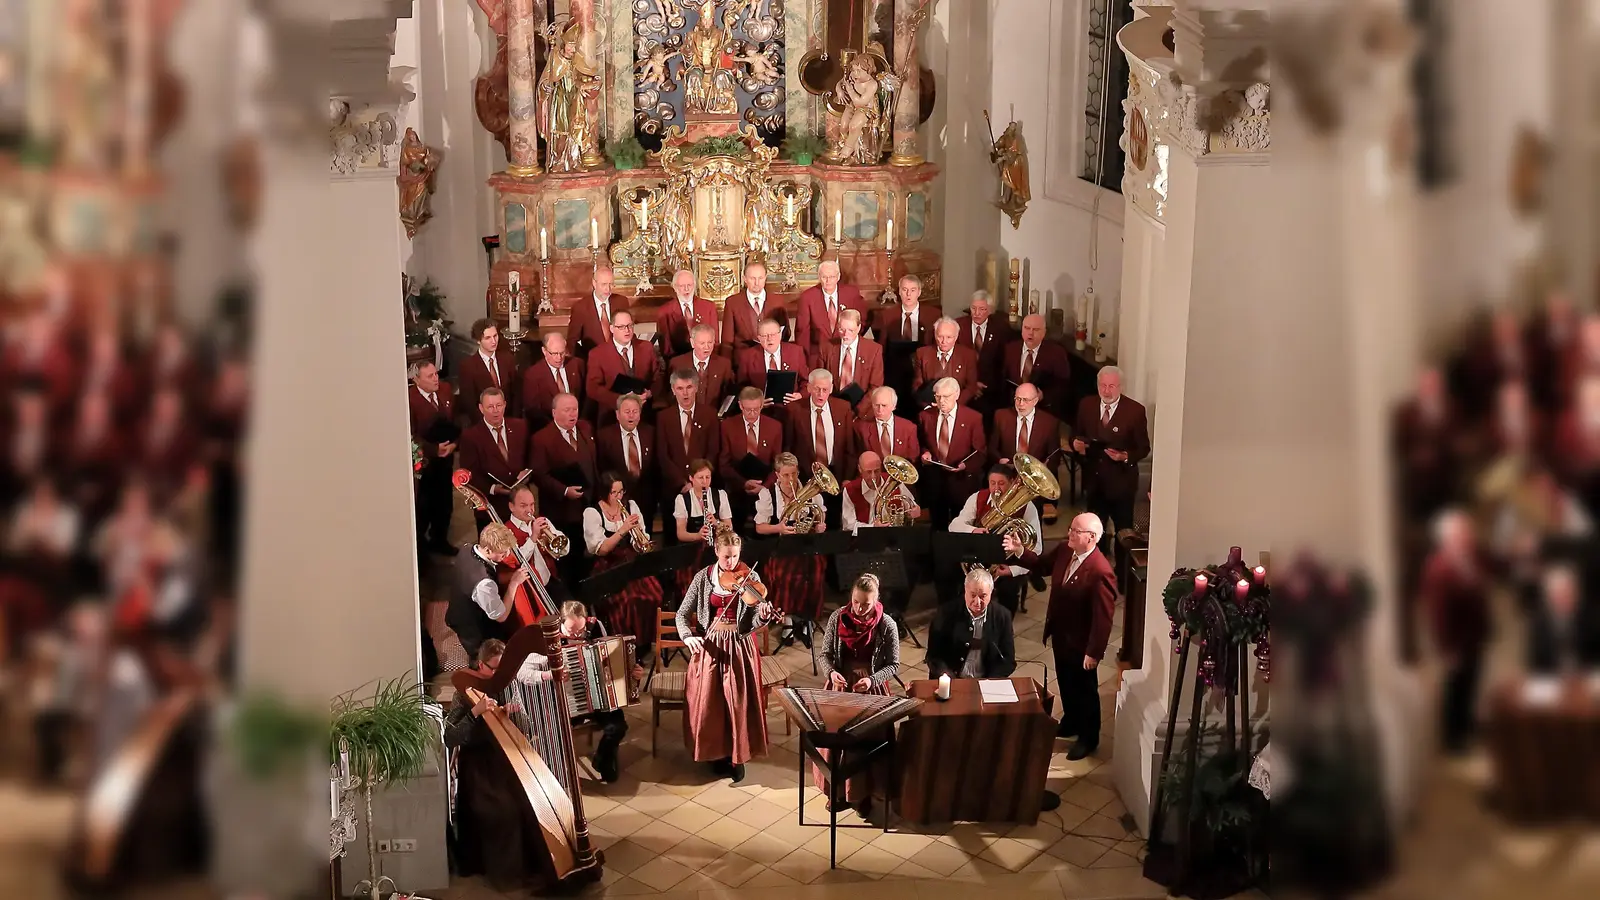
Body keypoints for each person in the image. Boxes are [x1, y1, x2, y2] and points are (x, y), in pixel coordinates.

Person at [444, 640, 558, 892]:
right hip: (478, 767)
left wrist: (513, 713)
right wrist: (475, 712)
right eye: (493, 669)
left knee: (532, 803)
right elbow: (450, 737)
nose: (498, 675)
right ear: (480, 664)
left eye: (503, 670)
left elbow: (525, 727)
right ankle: (507, 875)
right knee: (504, 810)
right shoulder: (463, 691)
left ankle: (534, 868)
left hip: (506, 759)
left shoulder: (508, 685)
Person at [1006, 512, 1115, 760]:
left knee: (1085, 689)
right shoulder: (1066, 551)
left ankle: (1088, 737)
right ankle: (1071, 721)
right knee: (1066, 681)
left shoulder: (1101, 571)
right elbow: (1043, 565)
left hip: (1081, 643)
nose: (1070, 534)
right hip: (1061, 635)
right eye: (1071, 528)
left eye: (1076, 531)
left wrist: (1093, 652)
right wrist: (1020, 551)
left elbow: (1103, 618)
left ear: (1092, 537)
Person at [676, 529, 780, 783]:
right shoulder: (703, 578)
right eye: (726, 558)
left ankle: (738, 756)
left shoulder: (750, 577)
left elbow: (754, 621)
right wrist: (688, 636)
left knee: (737, 701)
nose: (731, 563)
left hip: (739, 645)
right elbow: (681, 614)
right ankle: (716, 754)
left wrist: (764, 615)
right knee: (712, 702)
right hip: (711, 644)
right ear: (716, 552)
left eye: (735, 557)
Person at [527, 602, 646, 783]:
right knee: (553, 731)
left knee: (618, 728)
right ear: (560, 623)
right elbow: (526, 671)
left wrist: (634, 672)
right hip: (566, 700)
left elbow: (614, 657)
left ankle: (602, 760)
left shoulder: (595, 627)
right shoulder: (548, 637)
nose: (577, 636)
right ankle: (555, 772)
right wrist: (551, 675)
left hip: (599, 698)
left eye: (581, 631)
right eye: (571, 632)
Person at [813, 573, 901, 816]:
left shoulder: (887, 625)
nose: (860, 609)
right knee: (837, 744)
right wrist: (831, 673)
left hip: (870, 689)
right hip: (841, 686)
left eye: (866, 604)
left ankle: (863, 794)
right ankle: (838, 792)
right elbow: (825, 654)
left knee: (865, 745)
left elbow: (893, 665)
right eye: (856, 602)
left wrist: (872, 679)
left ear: (877, 601)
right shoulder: (837, 617)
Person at [1418, 509, 1492, 754]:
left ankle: (1467, 726)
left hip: (1475, 636)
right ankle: (1453, 739)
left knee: (1471, 683)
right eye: (1463, 532)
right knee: (1455, 689)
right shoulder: (1438, 568)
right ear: (1448, 537)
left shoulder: (1470, 557)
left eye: (1468, 531)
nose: (1469, 535)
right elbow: (1438, 614)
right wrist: (1447, 649)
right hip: (1456, 642)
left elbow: (1486, 577)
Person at [1072, 366, 1150, 558]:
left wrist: (1124, 457)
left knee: (1124, 534)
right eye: (1103, 386)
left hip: (1121, 484)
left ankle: (1123, 577)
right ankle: (1098, 568)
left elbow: (1143, 448)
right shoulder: (1086, 405)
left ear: (1121, 387)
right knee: (1094, 533)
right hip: (1094, 481)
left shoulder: (1135, 411)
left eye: (1111, 386)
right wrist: (1076, 444)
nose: (1106, 391)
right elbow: (1076, 433)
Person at [754, 452, 828, 648]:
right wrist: (778, 528)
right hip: (782, 547)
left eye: (794, 474)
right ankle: (786, 621)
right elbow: (759, 527)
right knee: (783, 577)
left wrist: (820, 526)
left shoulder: (811, 491)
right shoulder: (768, 494)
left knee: (816, 574)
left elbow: (820, 518)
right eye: (786, 475)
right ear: (777, 475)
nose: (791, 479)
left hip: (807, 544)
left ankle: (807, 620)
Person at [582, 472, 663, 650]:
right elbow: (602, 549)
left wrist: (638, 537)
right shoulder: (593, 512)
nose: (619, 497)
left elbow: (640, 541)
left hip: (631, 562)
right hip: (608, 566)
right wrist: (623, 529)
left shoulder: (631, 506)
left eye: (621, 492)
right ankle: (628, 647)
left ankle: (644, 644)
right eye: (614, 493)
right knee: (627, 602)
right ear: (604, 492)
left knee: (654, 594)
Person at [951, 464, 1042, 614]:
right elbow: (955, 525)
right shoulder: (977, 497)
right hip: (978, 556)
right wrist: (974, 530)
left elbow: (1036, 548)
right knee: (950, 575)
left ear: (1012, 483)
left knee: (1009, 591)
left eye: (1001, 483)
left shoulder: (1028, 506)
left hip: (1008, 562)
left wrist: (1012, 570)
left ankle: (1003, 624)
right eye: (992, 483)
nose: (996, 489)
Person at [447, 524, 529, 662]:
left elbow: (491, 574)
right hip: (472, 629)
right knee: (495, 658)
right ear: (487, 549)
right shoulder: (484, 584)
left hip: (458, 607)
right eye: (502, 553)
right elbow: (501, 616)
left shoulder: (468, 548)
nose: (507, 555)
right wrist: (514, 583)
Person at [786, 369, 855, 528]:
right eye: (816, 389)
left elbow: (849, 446)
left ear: (831, 388)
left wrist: (847, 477)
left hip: (835, 479)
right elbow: (789, 446)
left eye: (825, 389)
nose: (820, 394)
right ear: (809, 388)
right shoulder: (794, 410)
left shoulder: (843, 407)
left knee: (833, 525)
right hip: (806, 480)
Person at [918, 377, 987, 529]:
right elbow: (922, 443)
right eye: (938, 396)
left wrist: (965, 465)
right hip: (935, 483)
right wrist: (926, 453)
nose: (941, 401)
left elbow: (980, 452)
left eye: (946, 396)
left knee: (960, 527)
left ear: (956, 394)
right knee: (937, 526)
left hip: (961, 482)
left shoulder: (973, 418)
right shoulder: (926, 416)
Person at [455, 387, 530, 523]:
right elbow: (469, 474)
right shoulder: (471, 436)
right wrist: (493, 489)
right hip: (490, 507)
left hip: (520, 505)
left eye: (499, 405)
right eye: (490, 407)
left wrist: (527, 472)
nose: (495, 410)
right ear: (481, 408)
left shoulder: (520, 426)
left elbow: (530, 457)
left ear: (505, 405)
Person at [926, 568, 1016, 680]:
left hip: (986, 681)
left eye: (983, 596)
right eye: (973, 595)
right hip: (952, 681)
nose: (977, 602)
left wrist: (990, 681)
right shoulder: (945, 613)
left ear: (991, 593)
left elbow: (1008, 660)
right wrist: (950, 679)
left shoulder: (1002, 616)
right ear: (965, 590)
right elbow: (934, 657)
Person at [992, 381, 1062, 522]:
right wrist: (1000, 460)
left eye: (1025, 400)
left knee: (1032, 522)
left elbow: (1054, 457)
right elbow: (992, 448)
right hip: (1008, 479)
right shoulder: (1001, 416)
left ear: (1035, 401)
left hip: (1033, 485)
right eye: (1017, 399)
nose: (1020, 404)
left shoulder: (1049, 422)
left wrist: (1042, 470)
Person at [408, 361, 458, 555]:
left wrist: (455, 444)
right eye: (429, 376)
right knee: (424, 506)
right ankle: (421, 549)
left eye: (436, 374)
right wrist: (432, 449)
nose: (436, 378)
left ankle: (440, 540)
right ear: (416, 379)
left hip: (446, 460)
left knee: (444, 503)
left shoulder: (445, 390)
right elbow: (410, 435)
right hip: (424, 463)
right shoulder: (409, 400)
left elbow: (455, 421)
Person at [717, 386, 782, 528]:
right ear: (740, 405)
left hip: (766, 489)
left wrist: (764, 487)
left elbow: (778, 464)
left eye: (756, 409)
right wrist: (743, 483)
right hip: (737, 489)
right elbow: (724, 464)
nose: (752, 413)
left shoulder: (775, 427)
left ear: (762, 405)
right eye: (748, 409)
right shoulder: (727, 426)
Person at [586, 309, 661, 427]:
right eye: (621, 327)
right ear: (611, 329)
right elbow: (593, 388)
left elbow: (658, 376)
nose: (627, 330)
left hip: (644, 415)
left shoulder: (646, 348)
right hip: (612, 417)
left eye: (630, 325)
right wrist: (620, 400)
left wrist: (650, 393)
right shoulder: (597, 354)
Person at [656, 369, 720, 507]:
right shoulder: (664, 417)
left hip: (702, 487)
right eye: (680, 388)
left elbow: (713, 451)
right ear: (673, 390)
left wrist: (697, 481)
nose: (685, 393)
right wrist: (682, 482)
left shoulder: (709, 415)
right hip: (673, 488)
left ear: (696, 388)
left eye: (689, 387)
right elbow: (663, 455)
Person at [595, 393, 658, 535]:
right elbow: (601, 469)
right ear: (617, 414)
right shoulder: (604, 436)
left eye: (635, 412)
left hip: (646, 499)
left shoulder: (650, 432)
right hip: (616, 500)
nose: (631, 416)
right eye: (627, 412)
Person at [672, 459, 734, 597]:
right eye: (700, 478)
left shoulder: (720, 495)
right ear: (691, 478)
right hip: (692, 552)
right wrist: (698, 536)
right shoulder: (682, 499)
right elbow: (680, 533)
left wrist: (717, 523)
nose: (704, 481)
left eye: (708, 477)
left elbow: (729, 527)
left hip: (716, 549)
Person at [1525, 563, 1600, 675]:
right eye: (1558, 596)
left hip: (1585, 677)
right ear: (1548, 599)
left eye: (1569, 594)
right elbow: (1535, 664)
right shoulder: (1538, 623)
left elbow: (1596, 656)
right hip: (1553, 680)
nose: (1565, 601)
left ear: (1577, 594)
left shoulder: (1591, 617)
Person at [1001, 314, 1072, 419]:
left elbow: (1064, 386)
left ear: (1044, 333)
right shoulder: (1010, 349)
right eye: (1027, 328)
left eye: (1036, 330)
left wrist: (1044, 396)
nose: (1030, 333)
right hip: (1013, 407)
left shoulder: (1056, 353)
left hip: (1042, 411)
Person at [815, 308, 883, 416]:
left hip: (862, 411)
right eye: (842, 330)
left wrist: (857, 411)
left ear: (859, 327)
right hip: (833, 409)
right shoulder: (826, 347)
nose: (845, 335)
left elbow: (876, 386)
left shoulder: (874, 350)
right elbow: (820, 381)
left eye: (851, 330)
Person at [956, 291, 1012, 413]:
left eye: (982, 309)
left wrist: (986, 385)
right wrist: (971, 385)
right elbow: (954, 358)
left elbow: (1002, 363)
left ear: (990, 310)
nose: (976, 313)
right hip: (962, 386)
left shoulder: (1000, 329)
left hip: (989, 389)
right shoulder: (958, 326)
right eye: (973, 308)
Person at [796, 259, 867, 353]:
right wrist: (804, 358)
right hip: (818, 352)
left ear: (838, 277)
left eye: (832, 277)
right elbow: (802, 332)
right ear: (819, 277)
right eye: (824, 277)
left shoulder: (852, 294)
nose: (828, 281)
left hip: (845, 349)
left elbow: (861, 321)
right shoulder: (807, 297)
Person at [520, 332, 586, 431]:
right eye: (554, 353)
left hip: (577, 425)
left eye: (562, 353)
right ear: (544, 351)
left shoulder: (577, 365)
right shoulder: (533, 375)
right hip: (549, 428)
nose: (559, 358)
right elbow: (533, 410)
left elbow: (586, 397)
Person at [735, 318, 808, 406]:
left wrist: (800, 395)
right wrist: (756, 401)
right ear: (759, 338)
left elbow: (806, 381)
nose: (770, 339)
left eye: (773, 334)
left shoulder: (796, 352)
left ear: (780, 334)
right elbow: (741, 387)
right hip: (761, 410)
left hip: (792, 406)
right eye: (765, 336)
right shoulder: (747, 356)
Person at [458, 319, 517, 425]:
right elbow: (469, 403)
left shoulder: (508, 359)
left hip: (509, 420)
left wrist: (513, 420)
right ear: (478, 340)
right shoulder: (468, 367)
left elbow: (516, 393)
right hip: (483, 423)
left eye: (495, 336)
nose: (494, 341)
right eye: (488, 338)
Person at [721, 261, 788, 353]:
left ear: (765, 278)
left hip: (770, 357)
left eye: (760, 278)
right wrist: (727, 366)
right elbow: (727, 340)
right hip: (742, 359)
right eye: (752, 278)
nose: (757, 283)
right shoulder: (733, 303)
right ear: (744, 279)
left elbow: (785, 334)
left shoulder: (777, 301)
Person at [565, 267, 631, 359]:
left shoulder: (621, 302)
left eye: (611, 284)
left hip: (619, 359)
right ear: (594, 283)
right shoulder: (580, 307)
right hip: (592, 360)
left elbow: (628, 330)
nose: (608, 289)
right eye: (603, 284)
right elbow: (572, 341)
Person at [912, 317, 979, 407]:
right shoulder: (922, 353)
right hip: (931, 405)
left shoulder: (968, 355)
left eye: (949, 337)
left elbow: (971, 386)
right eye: (940, 336)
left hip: (958, 406)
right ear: (935, 335)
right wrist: (927, 406)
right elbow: (917, 385)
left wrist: (952, 406)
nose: (944, 341)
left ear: (956, 337)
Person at [657, 269, 720, 360]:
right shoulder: (664, 311)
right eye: (682, 286)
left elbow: (715, 340)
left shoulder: (708, 307)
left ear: (694, 286)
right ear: (675, 287)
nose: (686, 289)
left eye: (689, 285)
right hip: (678, 360)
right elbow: (666, 347)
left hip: (706, 359)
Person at [670, 323, 734, 412]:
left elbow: (728, 395)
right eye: (702, 343)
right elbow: (670, 395)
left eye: (710, 342)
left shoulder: (724, 364)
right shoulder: (677, 363)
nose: (707, 347)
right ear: (692, 343)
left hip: (714, 416)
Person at [853, 387, 920, 461]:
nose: (880, 410)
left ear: (894, 406)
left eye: (884, 405)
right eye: (876, 405)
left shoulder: (908, 428)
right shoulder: (861, 428)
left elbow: (913, 458)